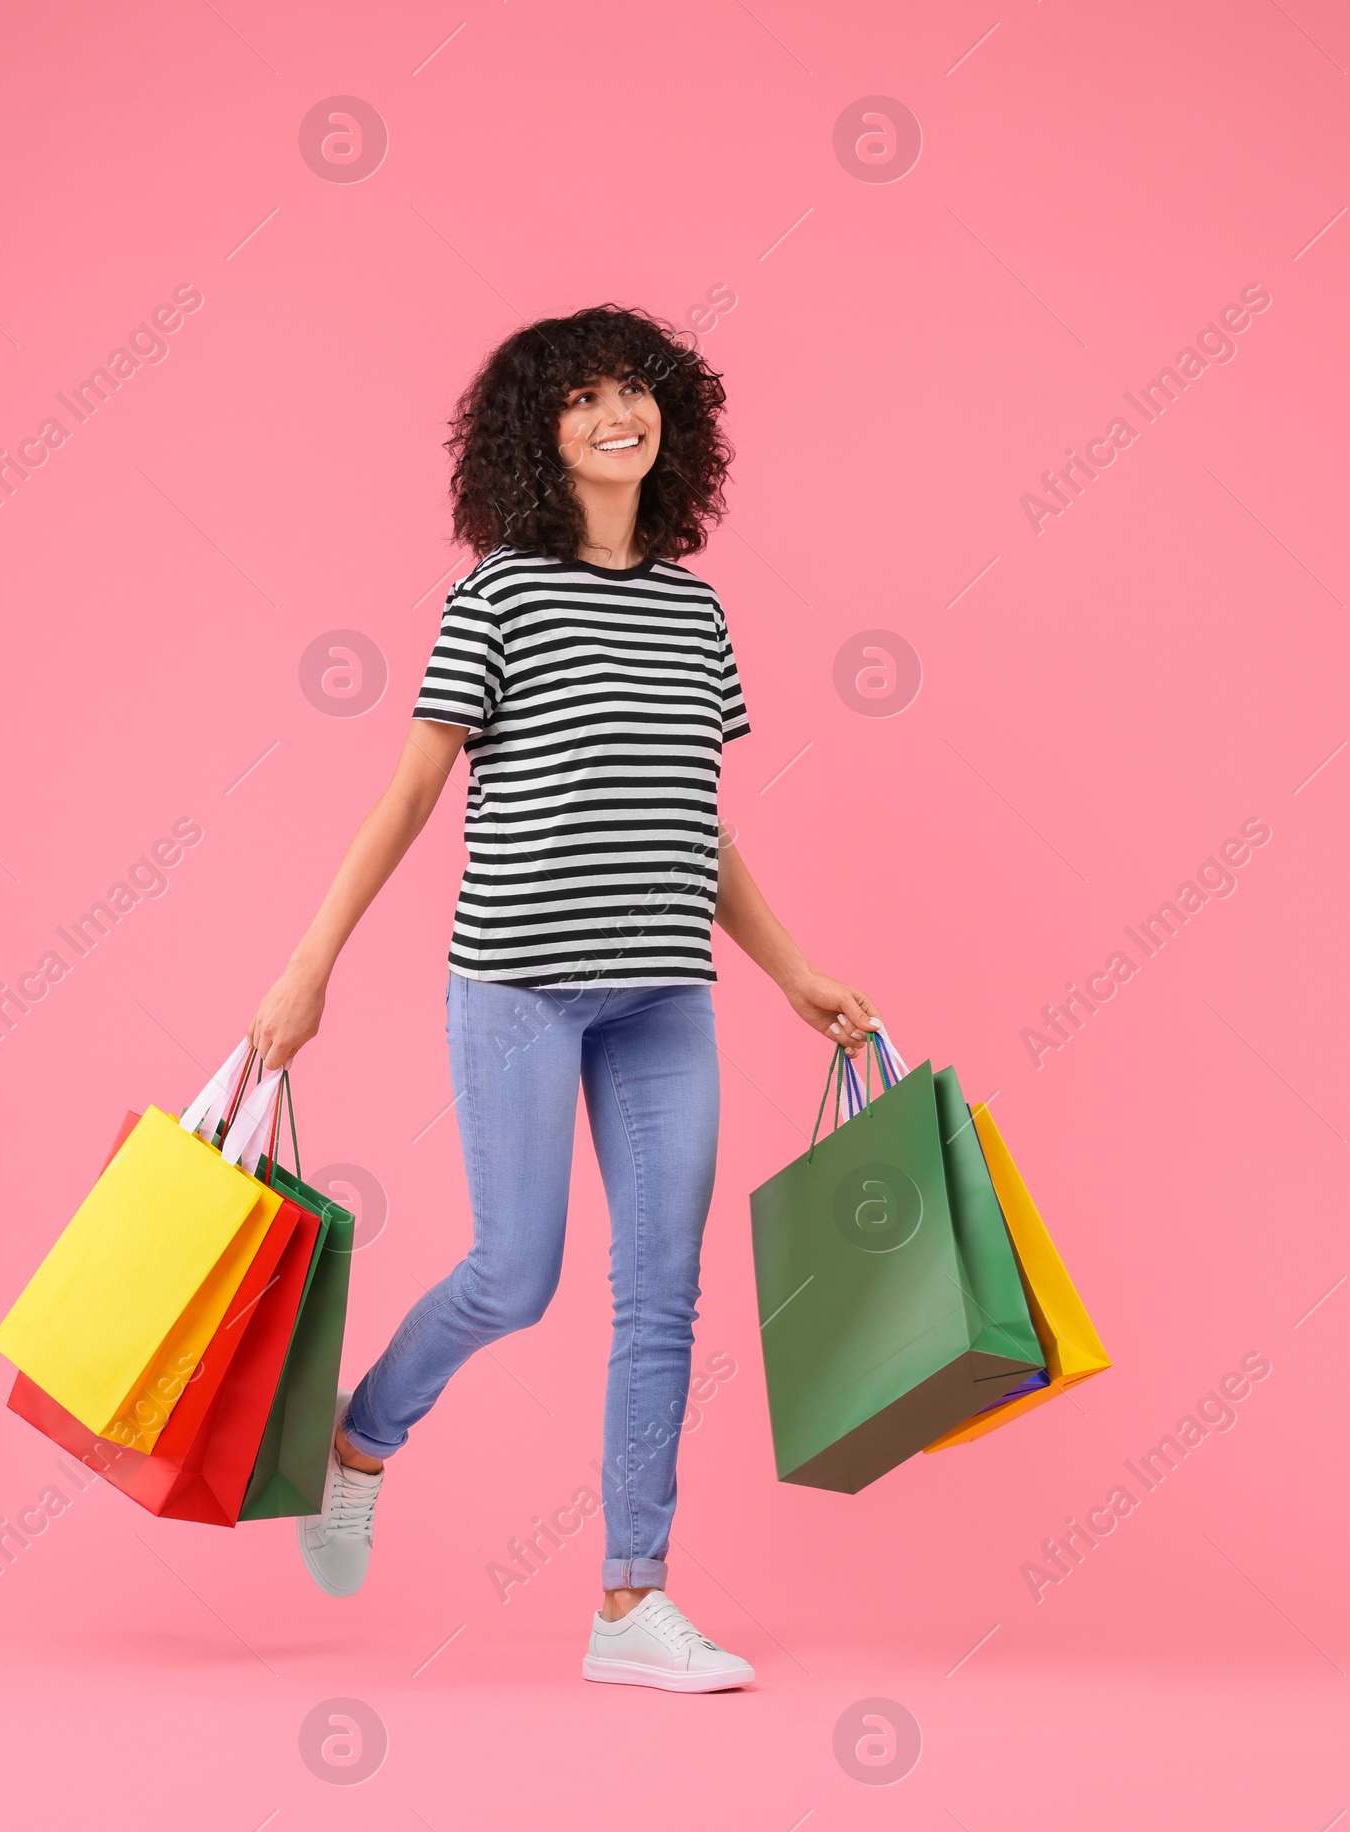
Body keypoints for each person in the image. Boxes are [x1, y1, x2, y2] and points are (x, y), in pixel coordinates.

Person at [248, 305, 882, 1694]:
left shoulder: (698, 613)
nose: (618, 414)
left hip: (666, 996)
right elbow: (415, 788)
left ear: (674, 423)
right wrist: (311, 965)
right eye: (583, 396)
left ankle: (629, 1600)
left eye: (637, 392)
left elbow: (692, 822)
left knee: (664, 1294)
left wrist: (791, 971)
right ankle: (362, 1436)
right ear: (538, 432)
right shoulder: (501, 593)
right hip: (521, 986)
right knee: (515, 1275)